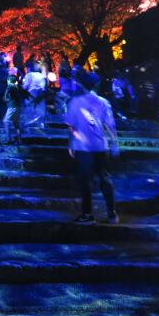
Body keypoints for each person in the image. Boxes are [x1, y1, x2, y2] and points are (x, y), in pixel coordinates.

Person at [65, 69, 119, 225]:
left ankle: (87, 214)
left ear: (82, 85)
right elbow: (110, 125)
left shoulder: (75, 102)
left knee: (85, 181)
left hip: (83, 147)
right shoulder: (103, 102)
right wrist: (115, 143)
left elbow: (71, 126)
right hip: (101, 146)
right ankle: (112, 213)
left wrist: (72, 143)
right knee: (104, 178)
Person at [3, 75, 31, 145]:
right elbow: (27, 94)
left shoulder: (9, 86)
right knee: (16, 123)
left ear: (9, 81)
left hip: (12, 106)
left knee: (6, 121)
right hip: (18, 106)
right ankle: (20, 140)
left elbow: (6, 97)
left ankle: (8, 139)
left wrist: (6, 99)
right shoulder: (19, 87)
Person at [22, 62, 48, 129]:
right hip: (40, 94)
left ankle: (30, 125)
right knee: (40, 110)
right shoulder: (42, 76)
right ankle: (40, 125)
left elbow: (25, 86)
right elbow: (44, 87)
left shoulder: (29, 75)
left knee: (31, 109)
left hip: (32, 93)